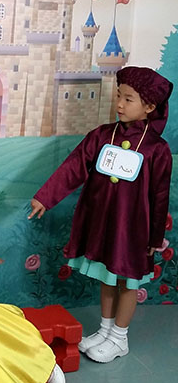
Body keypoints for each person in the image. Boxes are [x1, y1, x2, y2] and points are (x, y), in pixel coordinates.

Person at [28, 66, 173, 363]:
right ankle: (105, 330)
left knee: (128, 282)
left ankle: (120, 337)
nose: (119, 104)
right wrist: (45, 196)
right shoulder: (102, 136)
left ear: (149, 106)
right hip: (105, 224)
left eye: (128, 99)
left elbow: (160, 196)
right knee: (107, 276)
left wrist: (154, 237)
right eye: (118, 96)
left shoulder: (157, 150)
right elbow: (74, 166)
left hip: (134, 231)